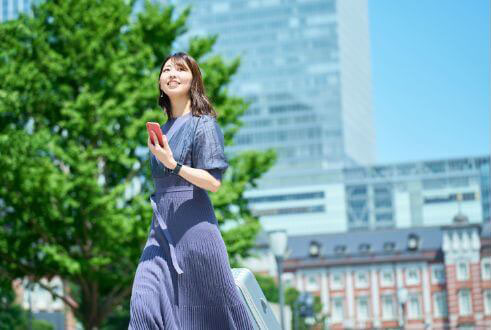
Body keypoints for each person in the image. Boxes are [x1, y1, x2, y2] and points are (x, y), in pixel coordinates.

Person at [128, 52, 255, 330]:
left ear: (193, 79)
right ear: (160, 82)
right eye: (166, 70)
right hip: (160, 230)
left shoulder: (204, 124)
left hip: (196, 233)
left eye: (180, 69)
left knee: (205, 318)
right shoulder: (161, 130)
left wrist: (173, 165)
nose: (172, 74)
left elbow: (213, 182)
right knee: (143, 300)